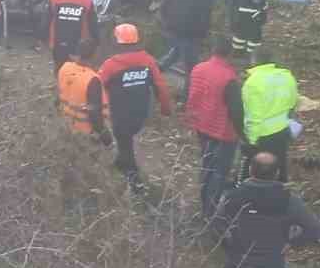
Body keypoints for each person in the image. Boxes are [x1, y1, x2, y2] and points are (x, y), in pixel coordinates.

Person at [210, 152, 320, 268]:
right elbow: (314, 229)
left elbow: (216, 224)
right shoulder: (289, 200)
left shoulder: (231, 196)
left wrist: (229, 243)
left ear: (250, 169)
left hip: (236, 267)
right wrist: (294, 243)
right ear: (277, 173)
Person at [97, 23, 172, 192]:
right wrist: (166, 108)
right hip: (140, 113)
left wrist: (101, 110)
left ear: (116, 42)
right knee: (126, 141)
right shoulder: (148, 61)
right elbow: (161, 86)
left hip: (119, 114)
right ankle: (119, 163)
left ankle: (135, 182)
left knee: (124, 143)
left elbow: (96, 86)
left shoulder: (110, 65)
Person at [185, 36, 245, 220]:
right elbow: (236, 111)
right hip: (223, 132)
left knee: (207, 165)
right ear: (230, 54)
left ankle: (203, 202)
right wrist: (243, 134)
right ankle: (209, 213)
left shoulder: (198, 69)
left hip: (202, 126)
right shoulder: (229, 77)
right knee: (219, 173)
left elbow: (193, 94)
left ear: (213, 50)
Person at [239, 47, 297, 183]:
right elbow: (293, 103)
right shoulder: (287, 76)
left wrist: (251, 141)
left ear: (254, 61)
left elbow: (253, 116)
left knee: (256, 173)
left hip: (262, 136)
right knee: (280, 166)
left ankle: (251, 200)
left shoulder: (252, 83)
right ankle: (281, 196)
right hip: (283, 130)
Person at [157, 0, 217, 93]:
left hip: (172, 30)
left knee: (175, 51)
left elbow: (164, 4)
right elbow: (204, 18)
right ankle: (187, 97)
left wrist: (166, 22)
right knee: (191, 68)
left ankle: (155, 71)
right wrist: (202, 35)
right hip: (190, 35)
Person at [58, 37, 110, 145]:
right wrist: (104, 133)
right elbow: (94, 112)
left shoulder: (65, 67)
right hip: (85, 134)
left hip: (66, 125)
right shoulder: (92, 80)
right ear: (95, 55)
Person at [45, 0, 96, 75]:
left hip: (58, 42)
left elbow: (46, 20)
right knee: (77, 69)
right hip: (79, 43)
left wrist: (41, 38)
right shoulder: (87, 1)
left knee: (59, 67)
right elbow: (93, 24)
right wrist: (96, 41)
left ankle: (62, 88)